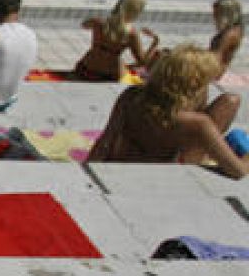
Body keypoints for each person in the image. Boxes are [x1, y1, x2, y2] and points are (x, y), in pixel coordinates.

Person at [86, 45, 244, 179]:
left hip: (124, 163)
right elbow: (238, 172)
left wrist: (87, 170)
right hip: (161, 173)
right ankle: (199, 157)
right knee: (229, 103)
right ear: (192, 83)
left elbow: (105, 142)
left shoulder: (131, 96)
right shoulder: (197, 123)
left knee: (230, 100)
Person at [73, 0, 160, 82]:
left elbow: (84, 25)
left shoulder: (98, 22)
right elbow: (142, 62)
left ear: (118, 5)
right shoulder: (131, 34)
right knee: (144, 70)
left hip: (85, 69)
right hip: (108, 75)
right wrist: (155, 42)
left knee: (126, 65)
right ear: (136, 12)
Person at [209, 0, 243, 70]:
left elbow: (218, 57)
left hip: (217, 71)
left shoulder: (230, 34)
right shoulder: (233, 30)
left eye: (216, 13)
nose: (213, 16)